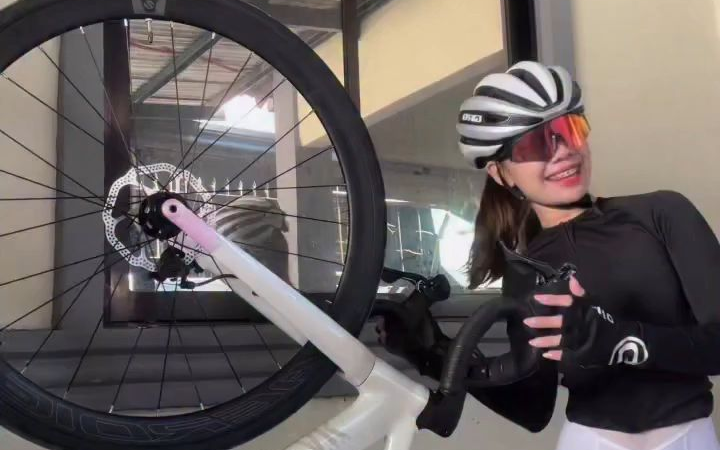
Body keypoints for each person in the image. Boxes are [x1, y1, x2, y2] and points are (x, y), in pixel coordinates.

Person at [376, 61, 720, 450]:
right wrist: (430, 351)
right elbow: (532, 409)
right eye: (533, 145)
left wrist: (618, 339)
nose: (563, 151)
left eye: (569, 129)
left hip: (688, 438)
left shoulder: (661, 213)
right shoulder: (524, 272)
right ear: (501, 174)